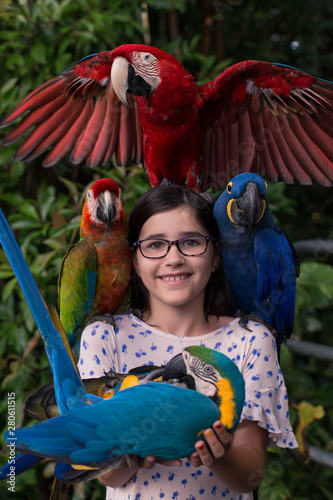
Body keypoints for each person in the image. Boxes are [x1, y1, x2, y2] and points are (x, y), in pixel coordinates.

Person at [78, 183, 298, 500]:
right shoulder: (104, 337)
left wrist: (220, 453)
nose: (174, 258)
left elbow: (252, 475)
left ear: (216, 256)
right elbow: (110, 476)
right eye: (155, 245)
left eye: (191, 242)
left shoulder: (252, 341)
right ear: (134, 261)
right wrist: (132, 443)